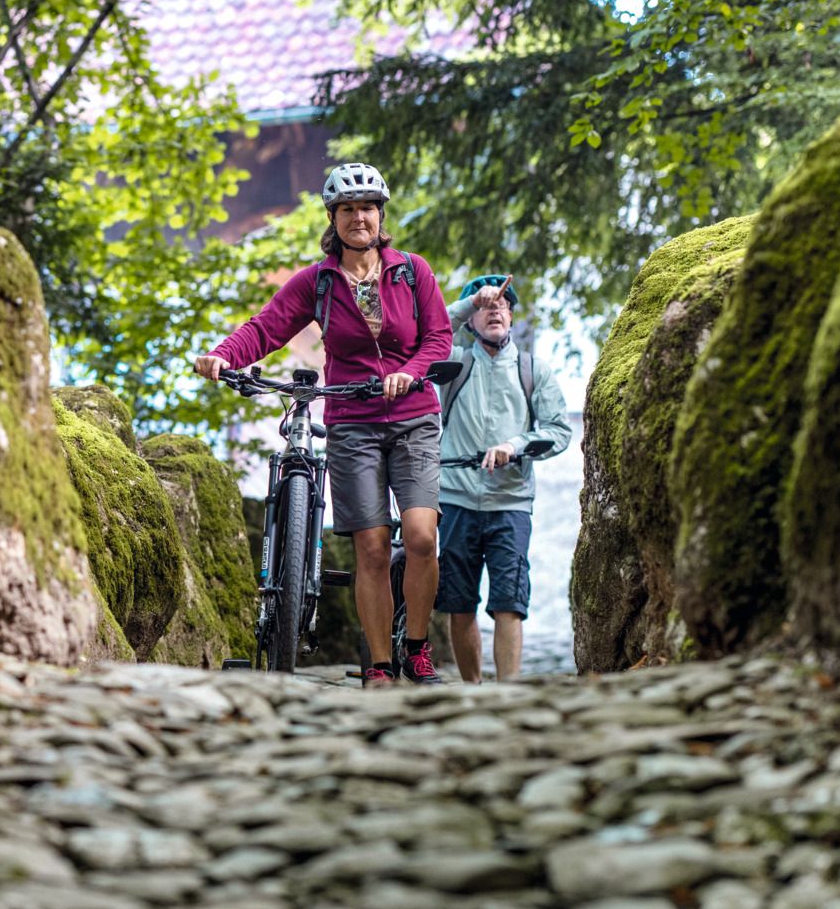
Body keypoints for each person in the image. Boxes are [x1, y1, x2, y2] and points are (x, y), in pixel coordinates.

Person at [194, 163, 453, 687]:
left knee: (422, 537)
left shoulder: (412, 271)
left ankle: (417, 647)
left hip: (413, 417)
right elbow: (264, 328)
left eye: (368, 208)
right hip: (352, 422)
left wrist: (410, 372)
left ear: (382, 217)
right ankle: (379, 665)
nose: (360, 217)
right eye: (348, 209)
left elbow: (439, 337)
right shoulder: (316, 282)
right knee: (373, 546)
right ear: (332, 219)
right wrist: (222, 355)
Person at [433, 274, 573, 682]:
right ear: (471, 321)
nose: (494, 310)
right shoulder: (453, 364)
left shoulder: (533, 370)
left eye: (502, 305)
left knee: (510, 601)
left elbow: (559, 430)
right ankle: (473, 688)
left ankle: (506, 692)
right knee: (459, 603)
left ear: (512, 316)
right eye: (484, 307)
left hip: (510, 502)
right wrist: (468, 302)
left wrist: (516, 444)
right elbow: (430, 331)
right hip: (456, 497)